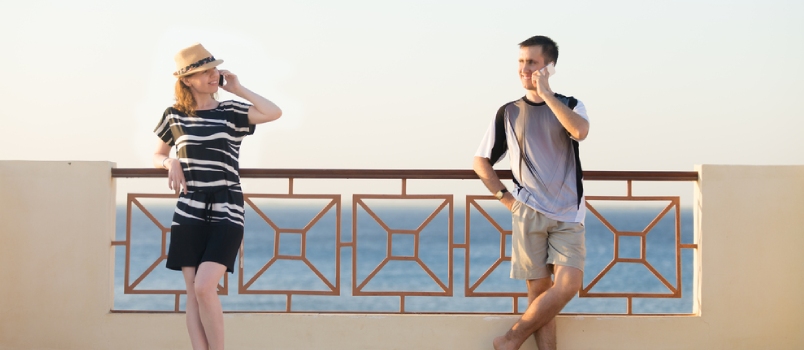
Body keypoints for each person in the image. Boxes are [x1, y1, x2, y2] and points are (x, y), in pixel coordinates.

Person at [152, 43, 281, 350]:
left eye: (214, 69)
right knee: (193, 292)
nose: (213, 75)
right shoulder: (174, 115)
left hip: (227, 207)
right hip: (188, 208)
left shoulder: (231, 112)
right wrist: (170, 161)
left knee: (205, 286)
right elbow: (157, 153)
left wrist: (237, 87)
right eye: (204, 72)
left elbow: (273, 112)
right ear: (187, 80)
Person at [473, 35, 590, 350]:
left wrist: (546, 93)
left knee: (566, 286)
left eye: (533, 62)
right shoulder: (508, 112)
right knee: (539, 294)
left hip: (569, 213)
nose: (525, 69)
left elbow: (580, 131)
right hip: (526, 212)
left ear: (548, 67)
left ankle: (511, 339)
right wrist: (506, 200)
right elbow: (480, 161)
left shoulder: (570, 104)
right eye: (522, 62)